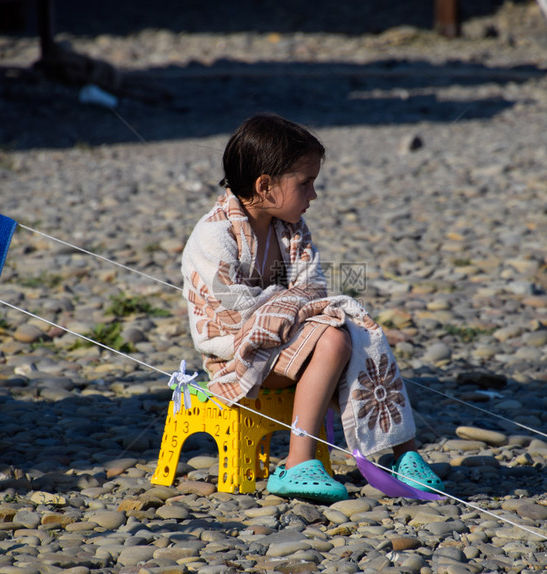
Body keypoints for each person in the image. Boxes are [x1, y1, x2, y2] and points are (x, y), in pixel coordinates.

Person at [181, 114, 443, 503]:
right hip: (239, 353)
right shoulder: (214, 236)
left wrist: (301, 307)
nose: (314, 195)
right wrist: (300, 307)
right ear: (264, 187)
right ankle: (298, 461)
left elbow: (312, 285)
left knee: (357, 332)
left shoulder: (290, 229)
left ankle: (402, 449)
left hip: (287, 339)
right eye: (305, 184)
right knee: (334, 335)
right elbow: (236, 315)